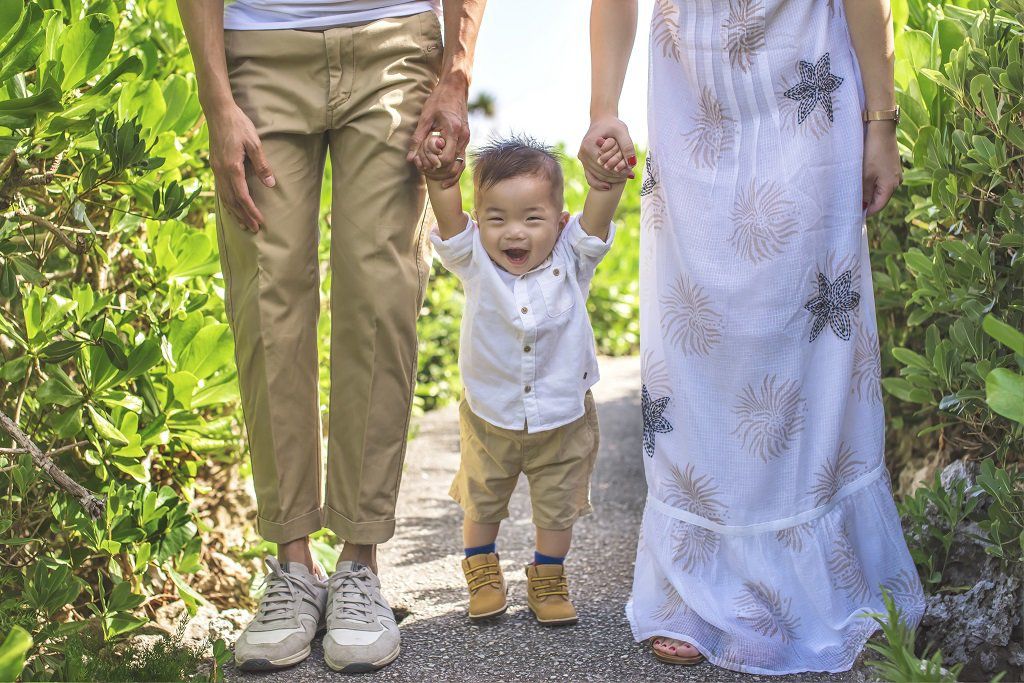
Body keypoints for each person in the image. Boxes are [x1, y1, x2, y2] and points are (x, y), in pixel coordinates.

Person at [580, 0, 925, 674]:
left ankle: (827, 580)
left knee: (808, 336)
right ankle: (692, 586)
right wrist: (602, 106)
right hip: (691, 96)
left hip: (809, 86)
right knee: (698, 342)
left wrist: (879, 121)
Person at [176, 0, 486, 672]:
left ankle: (359, 563)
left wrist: (455, 71)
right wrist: (215, 100)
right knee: (268, 296)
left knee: (380, 296)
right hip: (257, 47)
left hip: (395, 43)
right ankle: (292, 568)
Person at [423, 134, 625, 626]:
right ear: (478, 221)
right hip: (491, 416)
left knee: (558, 507)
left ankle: (549, 577)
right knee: (482, 495)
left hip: (563, 417)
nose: (514, 232)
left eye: (532, 218)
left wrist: (609, 179)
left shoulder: (572, 258)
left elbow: (597, 216)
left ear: (559, 223)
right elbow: (449, 219)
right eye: (496, 218)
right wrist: (438, 175)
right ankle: (483, 569)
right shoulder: (473, 260)